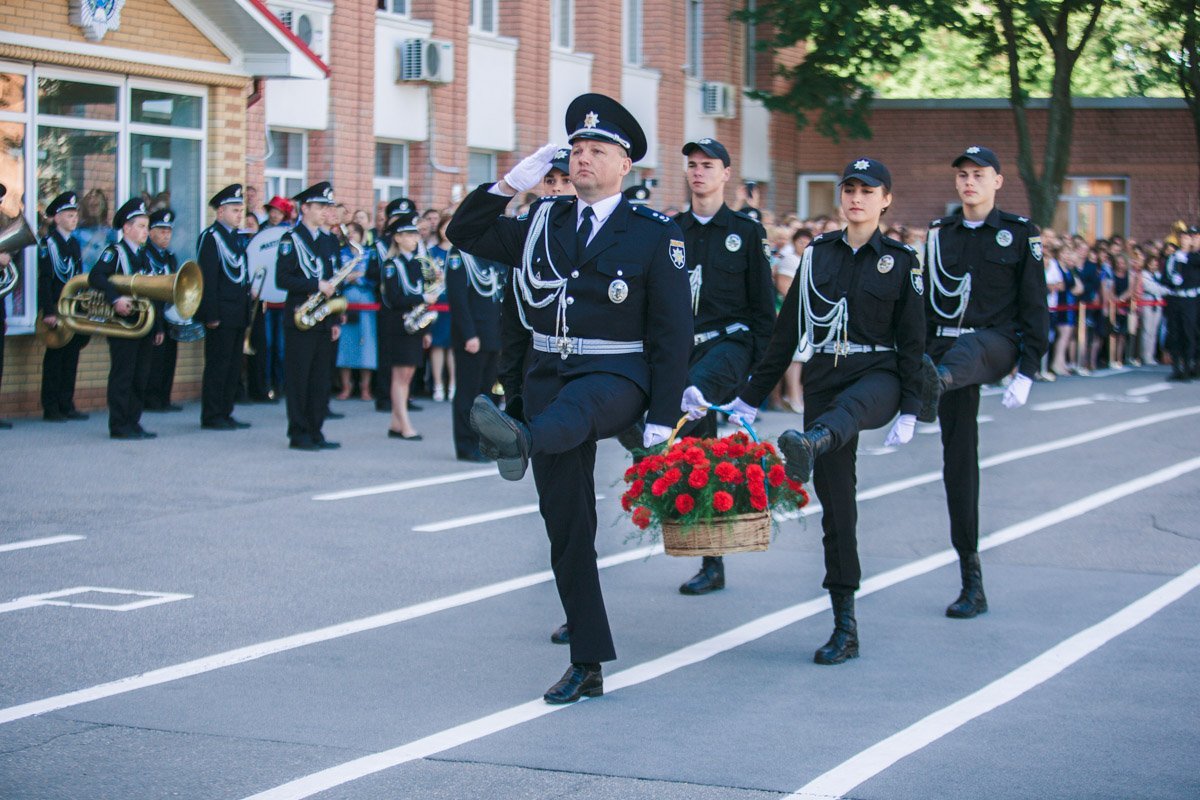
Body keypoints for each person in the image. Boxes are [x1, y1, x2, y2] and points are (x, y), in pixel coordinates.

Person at [447, 93, 692, 703]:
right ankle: (588, 662)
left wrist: (663, 420)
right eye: (576, 149)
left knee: (573, 415)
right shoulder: (542, 220)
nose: (583, 158)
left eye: (597, 150)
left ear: (625, 165)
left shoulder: (654, 234)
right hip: (548, 374)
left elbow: (672, 333)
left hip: (616, 376)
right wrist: (515, 180)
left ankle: (519, 439)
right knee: (567, 528)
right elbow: (465, 231)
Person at [700, 157, 926, 665]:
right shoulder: (819, 255)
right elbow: (786, 335)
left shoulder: (902, 260)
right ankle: (844, 623)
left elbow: (913, 340)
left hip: (879, 375)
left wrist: (912, 406)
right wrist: (752, 395)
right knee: (837, 508)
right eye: (849, 188)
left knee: (848, 411)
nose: (857, 197)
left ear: (885, 199)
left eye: (868, 190)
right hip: (825, 375)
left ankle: (817, 440)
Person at [920, 146, 1048, 619]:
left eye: (979, 175)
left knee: (968, 352)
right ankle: (971, 578)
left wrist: (1029, 368)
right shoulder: (939, 234)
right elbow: (928, 304)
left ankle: (931, 385)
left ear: (998, 181)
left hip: (995, 343)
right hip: (946, 353)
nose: (969, 182)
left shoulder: (1018, 233)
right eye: (963, 175)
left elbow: (1035, 303)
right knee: (958, 463)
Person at [670, 138, 777, 596]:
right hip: (683, 349)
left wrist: (760, 376)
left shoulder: (746, 233)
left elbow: (763, 309)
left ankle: (713, 561)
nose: (698, 172)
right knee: (696, 452)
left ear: (725, 174)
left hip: (730, 343)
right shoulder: (670, 231)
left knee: (695, 391)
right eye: (692, 165)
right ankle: (711, 561)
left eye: (708, 165)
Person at [276, 182, 343, 451]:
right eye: (320, 206)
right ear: (305, 208)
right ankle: (298, 432)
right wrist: (315, 285)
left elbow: (336, 280)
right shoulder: (290, 239)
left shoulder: (328, 240)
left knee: (320, 379)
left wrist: (336, 318)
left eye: (327, 206)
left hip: (325, 318)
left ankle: (316, 430)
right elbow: (282, 278)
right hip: (300, 318)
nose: (325, 211)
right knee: (299, 378)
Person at [89, 197, 163, 440]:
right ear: (127, 228)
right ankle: (119, 424)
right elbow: (96, 277)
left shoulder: (145, 256)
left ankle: (134, 421)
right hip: (123, 325)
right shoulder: (115, 252)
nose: (146, 231)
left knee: (141, 375)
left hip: (142, 325)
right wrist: (115, 299)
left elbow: (153, 292)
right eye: (141, 226)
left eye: (146, 226)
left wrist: (158, 326)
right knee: (123, 375)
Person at [444, 220, 503, 461]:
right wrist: (469, 334)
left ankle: (483, 442)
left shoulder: (495, 254)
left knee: (486, 395)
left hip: (494, 335)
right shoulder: (460, 254)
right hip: (473, 337)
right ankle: (466, 444)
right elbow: (458, 299)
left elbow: (501, 296)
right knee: (468, 394)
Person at [195, 184, 252, 431]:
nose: (239, 214)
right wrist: (211, 313)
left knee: (232, 367)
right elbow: (207, 278)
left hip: (237, 312)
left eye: (241, 210)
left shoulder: (237, 239)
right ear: (220, 212)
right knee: (218, 365)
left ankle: (226, 411)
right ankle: (212, 414)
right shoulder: (211, 237)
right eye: (234, 210)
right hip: (220, 313)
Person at [375, 211, 430, 440]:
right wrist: (422, 300)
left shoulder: (417, 264)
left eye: (415, 234)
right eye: (408, 234)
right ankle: (404, 423)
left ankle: (396, 422)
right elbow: (393, 298)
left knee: (408, 375)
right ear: (397, 237)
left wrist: (426, 330)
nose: (414, 238)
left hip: (415, 325)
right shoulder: (391, 265)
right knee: (400, 375)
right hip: (397, 326)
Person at [38, 190, 91, 422]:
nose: (74, 218)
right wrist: (48, 311)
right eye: (68, 214)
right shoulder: (49, 244)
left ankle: (66, 403)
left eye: (75, 214)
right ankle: (51, 407)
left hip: (71, 309)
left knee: (71, 358)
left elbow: (76, 278)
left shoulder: (74, 244)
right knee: (55, 359)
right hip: (56, 309)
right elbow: (45, 280)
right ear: (57, 218)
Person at [143, 209, 183, 412]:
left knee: (169, 358)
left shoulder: (170, 257)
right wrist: (157, 324)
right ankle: (152, 399)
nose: (166, 235)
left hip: (169, 315)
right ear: (151, 232)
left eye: (168, 231)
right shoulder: (146, 256)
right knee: (155, 361)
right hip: (154, 314)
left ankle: (165, 397)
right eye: (161, 231)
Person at [334, 223, 377, 401]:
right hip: (346, 299)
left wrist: (362, 277)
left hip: (365, 300)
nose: (351, 235)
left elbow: (376, 277)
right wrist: (345, 278)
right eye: (348, 232)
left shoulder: (370, 253)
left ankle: (365, 387)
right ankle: (346, 386)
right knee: (346, 344)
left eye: (355, 232)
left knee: (366, 343)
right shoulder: (340, 253)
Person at [1164, 226, 1200, 380]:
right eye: (1184, 237)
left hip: (1191, 299)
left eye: (1189, 237)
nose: (1186, 240)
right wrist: (1172, 280)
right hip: (1176, 298)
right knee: (1175, 333)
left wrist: (1187, 257)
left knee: (1189, 333)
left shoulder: (1194, 257)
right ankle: (1177, 368)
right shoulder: (1174, 257)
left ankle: (1188, 367)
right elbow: (1166, 276)